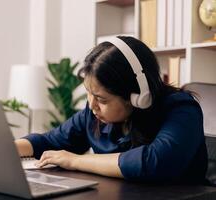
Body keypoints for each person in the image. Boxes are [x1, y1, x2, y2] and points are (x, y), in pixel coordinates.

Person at [15, 36, 207, 183]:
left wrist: (74, 160)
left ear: (138, 97)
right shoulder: (94, 114)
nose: (91, 105)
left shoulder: (181, 109)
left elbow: (154, 162)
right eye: (89, 93)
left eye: (101, 99)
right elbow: (49, 141)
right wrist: (7, 149)